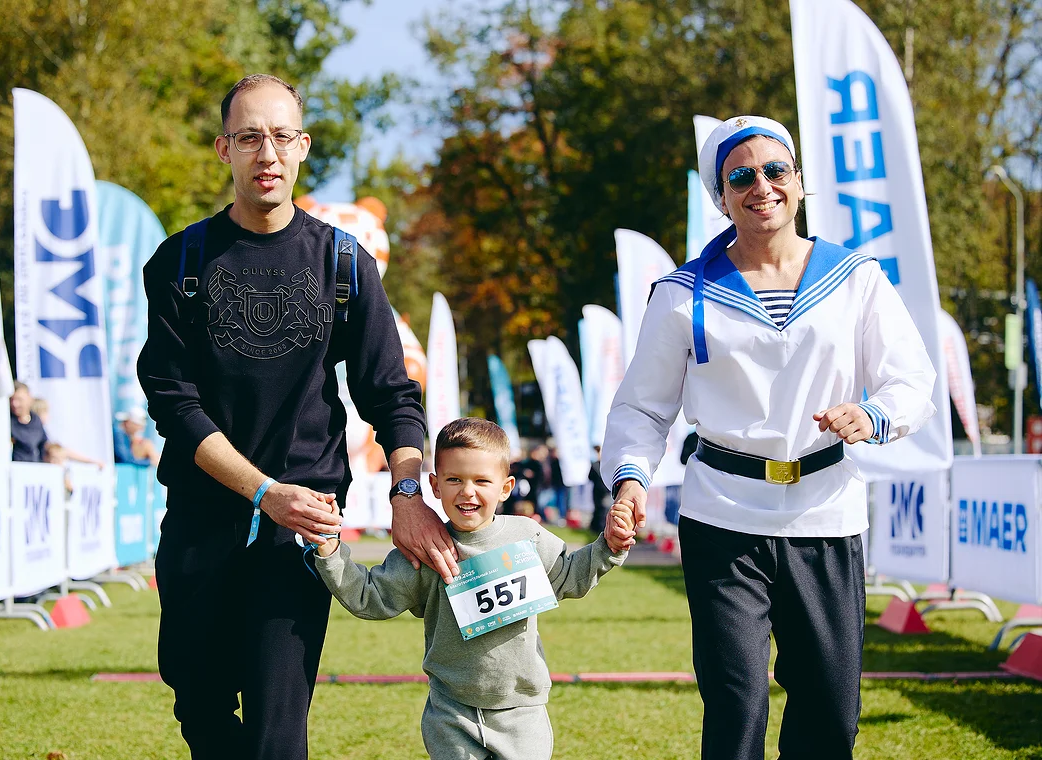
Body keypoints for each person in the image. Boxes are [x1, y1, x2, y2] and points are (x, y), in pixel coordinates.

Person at [137, 73, 454, 760]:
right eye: (250, 137)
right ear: (224, 148)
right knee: (198, 702)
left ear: (304, 147)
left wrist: (407, 492)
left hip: (303, 530)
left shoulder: (345, 264)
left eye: (281, 136)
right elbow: (174, 403)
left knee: (279, 735)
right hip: (201, 518)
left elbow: (392, 396)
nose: (267, 153)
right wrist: (260, 492)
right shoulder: (179, 263)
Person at [601, 115, 936, 760]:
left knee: (830, 714)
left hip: (826, 513)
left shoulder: (856, 278)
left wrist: (871, 417)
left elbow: (912, 383)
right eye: (741, 177)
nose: (762, 186)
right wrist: (629, 480)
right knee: (736, 709)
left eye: (776, 170)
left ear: (801, 183)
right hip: (722, 515)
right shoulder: (681, 295)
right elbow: (641, 410)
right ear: (721, 196)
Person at [312, 418, 635, 760]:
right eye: (454, 480)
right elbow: (369, 598)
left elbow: (571, 576)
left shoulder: (528, 535)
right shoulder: (426, 548)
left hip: (522, 713)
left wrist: (609, 546)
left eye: (482, 481)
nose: (467, 491)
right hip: (451, 714)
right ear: (434, 485)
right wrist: (330, 549)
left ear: (506, 487)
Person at [10, 381, 48, 462]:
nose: (15, 404)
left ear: (29, 398)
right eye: (12, 399)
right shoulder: (8, 421)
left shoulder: (35, 419)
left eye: (19, 399)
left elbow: (43, 445)